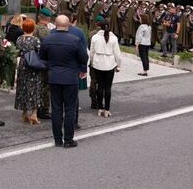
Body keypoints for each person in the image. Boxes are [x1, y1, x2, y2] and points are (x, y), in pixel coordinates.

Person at [39, 15, 88, 148]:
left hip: (54, 76)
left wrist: (50, 67)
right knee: (70, 109)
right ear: (68, 25)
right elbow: (84, 57)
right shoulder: (75, 40)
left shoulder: (47, 39)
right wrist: (83, 69)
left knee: (56, 108)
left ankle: (57, 139)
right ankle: (68, 139)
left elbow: (42, 58)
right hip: (70, 77)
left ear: (55, 24)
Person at [89, 21, 122, 118]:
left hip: (98, 64)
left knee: (100, 86)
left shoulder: (95, 37)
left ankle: (100, 108)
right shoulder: (114, 38)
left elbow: (91, 52)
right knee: (108, 87)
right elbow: (117, 54)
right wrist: (118, 65)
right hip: (110, 64)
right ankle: (107, 109)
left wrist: (91, 62)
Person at [14, 17, 43, 125]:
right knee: (34, 88)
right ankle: (34, 114)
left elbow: (18, 50)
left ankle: (24, 112)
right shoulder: (35, 40)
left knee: (23, 87)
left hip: (23, 64)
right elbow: (39, 52)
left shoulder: (19, 39)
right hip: (33, 64)